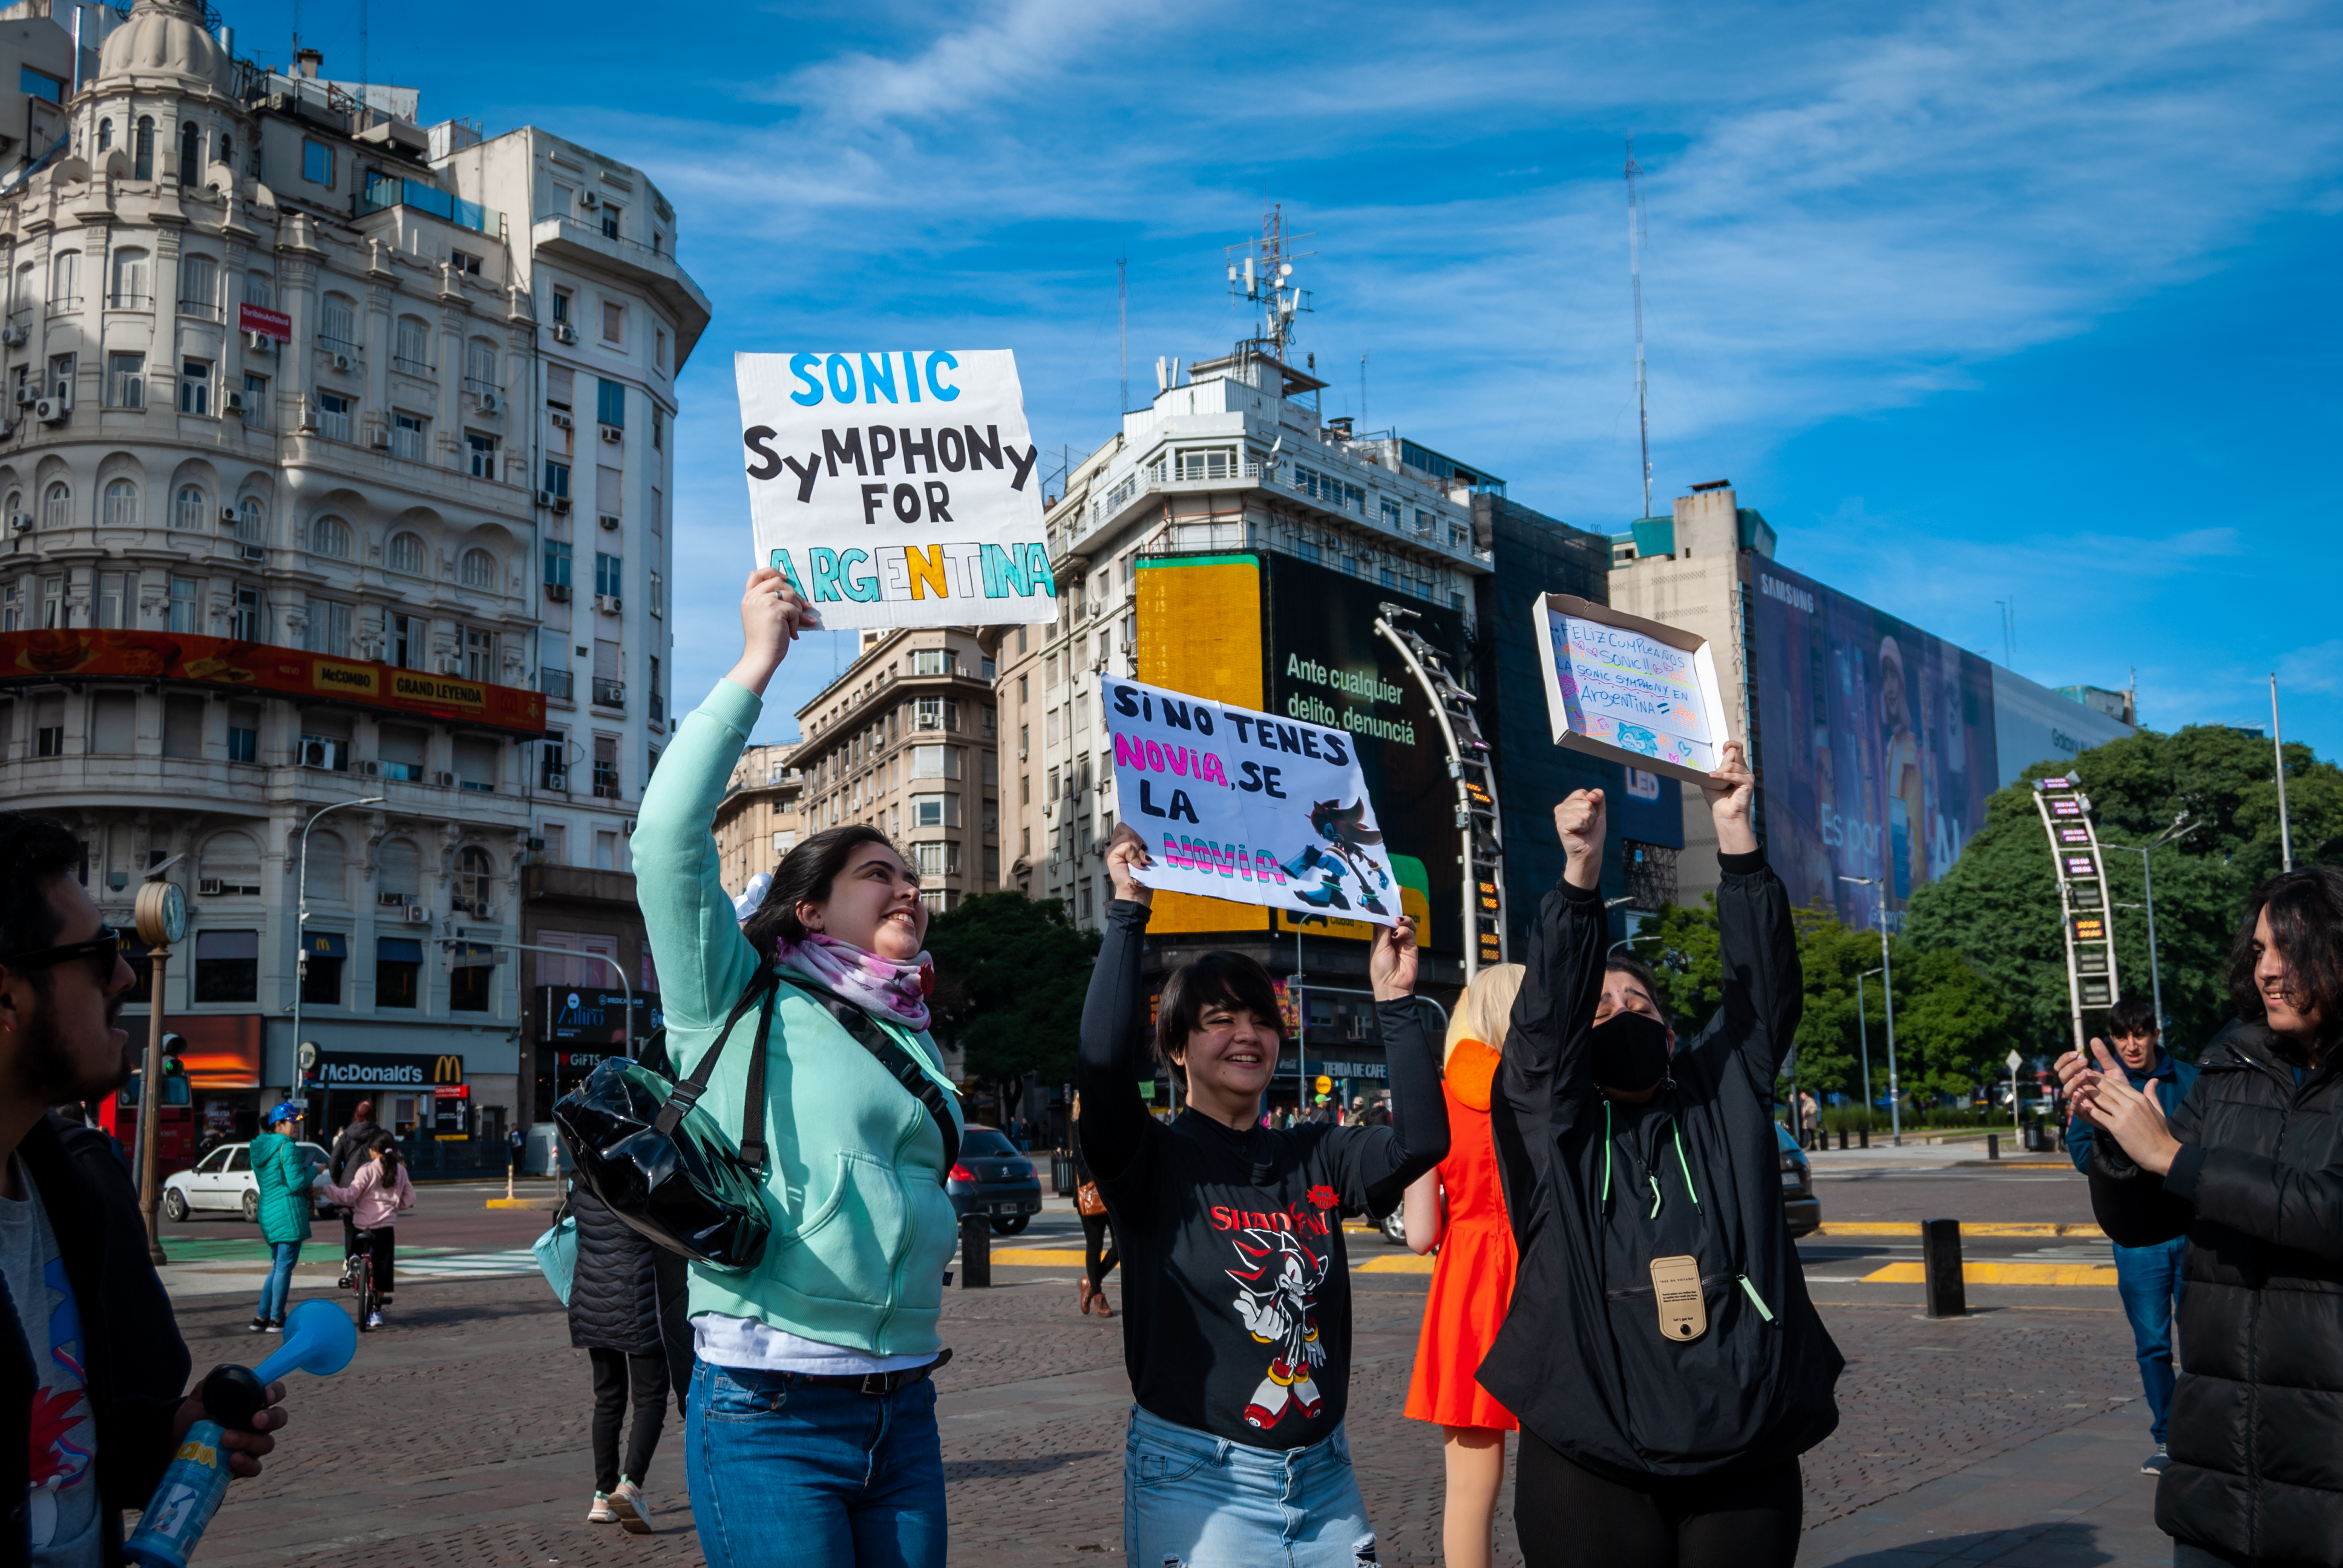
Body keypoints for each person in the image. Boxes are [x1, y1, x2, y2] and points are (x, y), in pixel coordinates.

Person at [633, 568, 964, 1568]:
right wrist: (755, 664)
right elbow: (663, 843)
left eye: (911, 876)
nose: (906, 885)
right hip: (768, 1406)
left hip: (904, 1399)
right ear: (810, 908)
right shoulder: (734, 990)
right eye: (878, 874)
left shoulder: (908, 1022)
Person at [1482, 746, 1841, 1568]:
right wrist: (1580, 873)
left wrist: (1733, 833)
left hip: (1742, 1441)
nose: (1623, 1012)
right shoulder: (1552, 1122)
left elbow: (1764, 996)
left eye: (1639, 1001)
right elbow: (1542, 1026)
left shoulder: (1724, 1100)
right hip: (1591, 1446)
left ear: (1673, 1035)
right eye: (1600, 1008)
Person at [1081, 822, 1449, 1568]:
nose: (1247, 1035)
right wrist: (1128, 911)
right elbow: (1098, 1065)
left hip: (1324, 1480)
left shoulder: (1312, 1151)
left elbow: (1420, 1144)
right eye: (1219, 1022)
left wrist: (1396, 1001)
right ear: (1179, 1048)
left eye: (1261, 1020)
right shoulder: (1149, 1158)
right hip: (1196, 1482)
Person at [0, 812, 287, 1555]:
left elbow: (76, 1448)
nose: (125, 974)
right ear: (6, 998)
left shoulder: (74, 1189)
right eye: (99, 956)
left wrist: (172, 1435)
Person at [2059, 867, 2343, 1567]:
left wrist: (2173, 1159)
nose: (2268, 972)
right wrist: (2115, 1135)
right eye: (2257, 952)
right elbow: (2143, 1221)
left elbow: (2327, 1209)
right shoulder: (2231, 1057)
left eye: (2287, 950)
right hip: (2221, 1463)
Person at [1400, 961, 1525, 1568]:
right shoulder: (1549, 1093)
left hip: (1468, 1291)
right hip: (1546, 1280)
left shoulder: (1438, 1101)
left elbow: (1420, 1234)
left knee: (1469, 1493)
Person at [2060, 993, 2196, 1474]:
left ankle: (2205, 1436)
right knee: (2153, 1344)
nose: (2132, 1044)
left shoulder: (2191, 1080)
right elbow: (2081, 1156)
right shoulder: (2099, 1088)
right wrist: (2116, 1141)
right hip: (2139, 1239)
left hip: (2195, 1229)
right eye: (2122, 1036)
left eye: (2140, 1033)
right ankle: (2166, 1437)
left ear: (2156, 1033)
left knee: (2206, 1341)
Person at [569, 1179, 690, 1534]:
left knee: (607, 1399)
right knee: (651, 1398)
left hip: (591, 1301)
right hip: (638, 1302)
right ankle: (631, 1485)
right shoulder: (640, 1179)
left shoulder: (581, 1181)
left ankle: (602, 1495)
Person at [320, 1132, 415, 1328]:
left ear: (374, 1150)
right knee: (382, 1269)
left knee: (356, 1245)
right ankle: (377, 1312)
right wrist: (396, 1206)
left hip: (363, 1225)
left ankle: (353, 1264)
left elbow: (349, 1195)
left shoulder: (366, 1170)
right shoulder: (400, 1171)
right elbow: (409, 1198)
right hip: (386, 1227)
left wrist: (327, 1190)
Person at [248, 1101, 321, 1333]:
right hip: (288, 1213)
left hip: (269, 1213)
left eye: (298, 1122)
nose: (297, 1127)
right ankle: (277, 1319)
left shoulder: (260, 1148)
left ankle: (261, 1317)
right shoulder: (287, 1147)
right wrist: (315, 1170)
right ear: (279, 1125)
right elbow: (297, 1182)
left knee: (277, 1267)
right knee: (283, 1269)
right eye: (293, 1122)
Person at [1068, 1093, 1118, 1317]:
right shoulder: (1079, 1124)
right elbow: (1082, 1161)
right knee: (1094, 1244)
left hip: (1112, 1192)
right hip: (1091, 1193)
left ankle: (1090, 1280)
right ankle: (1097, 1295)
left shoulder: (1107, 1121)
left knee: (1120, 1246)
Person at [328, 1098, 381, 1273]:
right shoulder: (380, 1135)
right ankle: (372, 1263)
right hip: (373, 1191)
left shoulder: (346, 1135)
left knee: (350, 1228)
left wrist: (339, 1183)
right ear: (374, 1116)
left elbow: (334, 1163)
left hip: (350, 1190)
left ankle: (350, 1261)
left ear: (356, 1116)